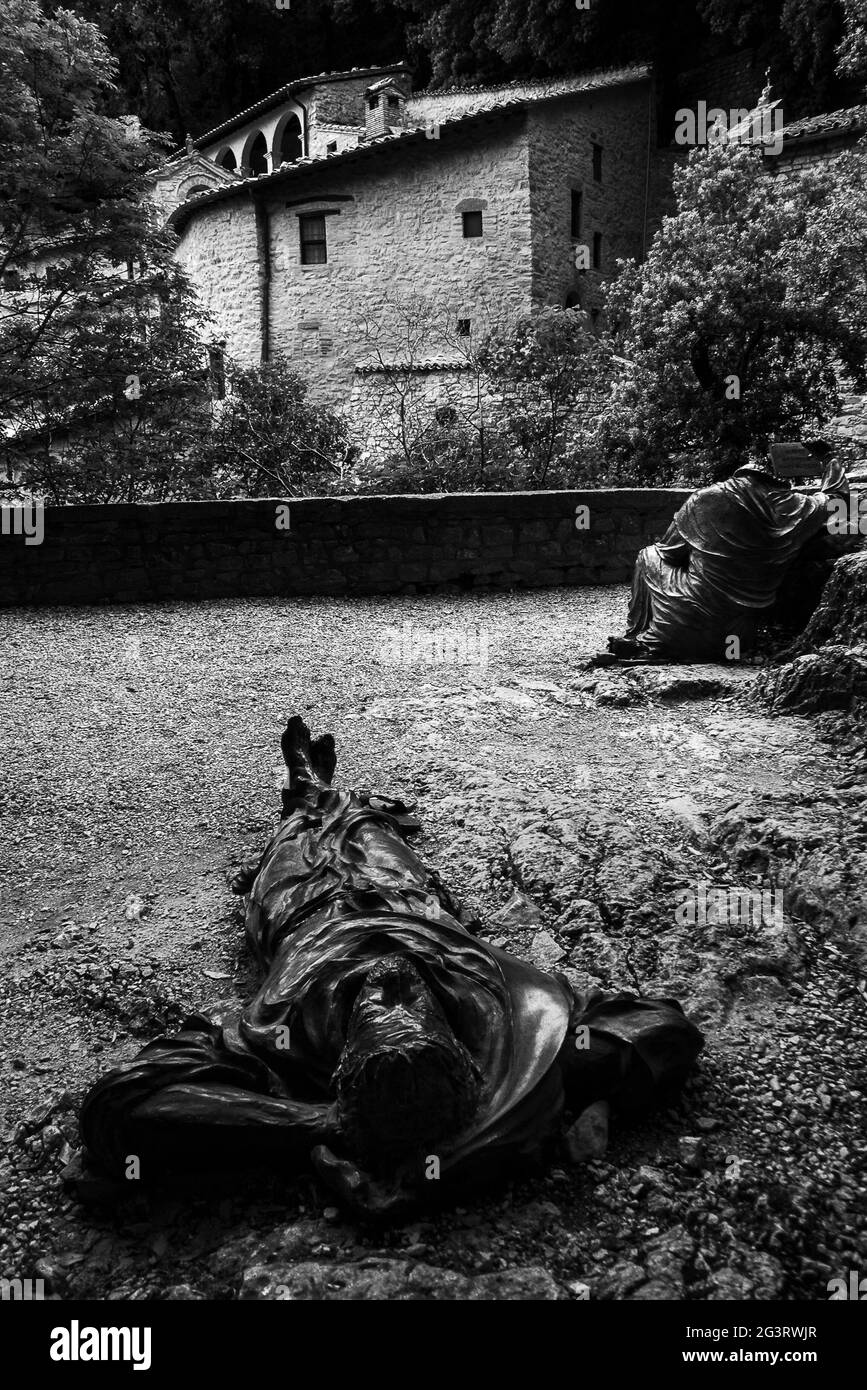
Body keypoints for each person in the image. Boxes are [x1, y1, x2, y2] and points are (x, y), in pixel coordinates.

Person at [80, 717, 703, 1217]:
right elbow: (663, 1032)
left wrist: (317, 1124)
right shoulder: (513, 1029)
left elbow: (124, 1111)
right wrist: (524, 1117)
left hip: (306, 904)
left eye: (376, 1014)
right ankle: (319, 777)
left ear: (344, 1065)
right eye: (414, 1009)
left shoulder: (283, 1052)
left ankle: (303, 784)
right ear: (456, 1044)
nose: (389, 986)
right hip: (399, 892)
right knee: (361, 822)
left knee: (300, 835)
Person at [606, 452, 849, 662]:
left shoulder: (704, 498)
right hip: (741, 629)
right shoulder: (791, 504)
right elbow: (837, 500)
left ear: (739, 476)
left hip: (686, 620)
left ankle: (638, 633)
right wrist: (829, 459)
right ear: (773, 482)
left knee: (647, 555)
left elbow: (669, 551)